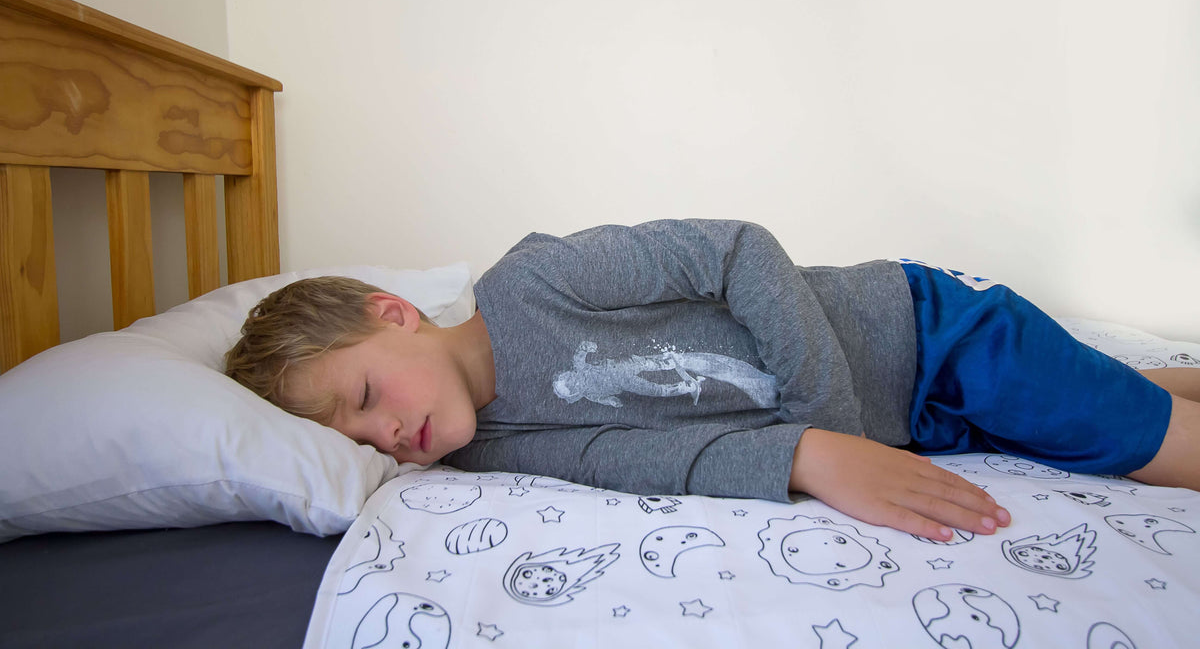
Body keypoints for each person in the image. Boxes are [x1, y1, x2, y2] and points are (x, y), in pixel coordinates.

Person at [224, 219, 1200, 543]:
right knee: (1111, 397)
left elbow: (739, 250)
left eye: (364, 399)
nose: (385, 433)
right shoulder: (494, 446)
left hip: (930, 329)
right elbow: (664, 453)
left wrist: (830, 425)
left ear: (394, 313)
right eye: (360, 440)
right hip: (923, 419)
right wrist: (809, 455)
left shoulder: (529, 282)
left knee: (1157, 449)